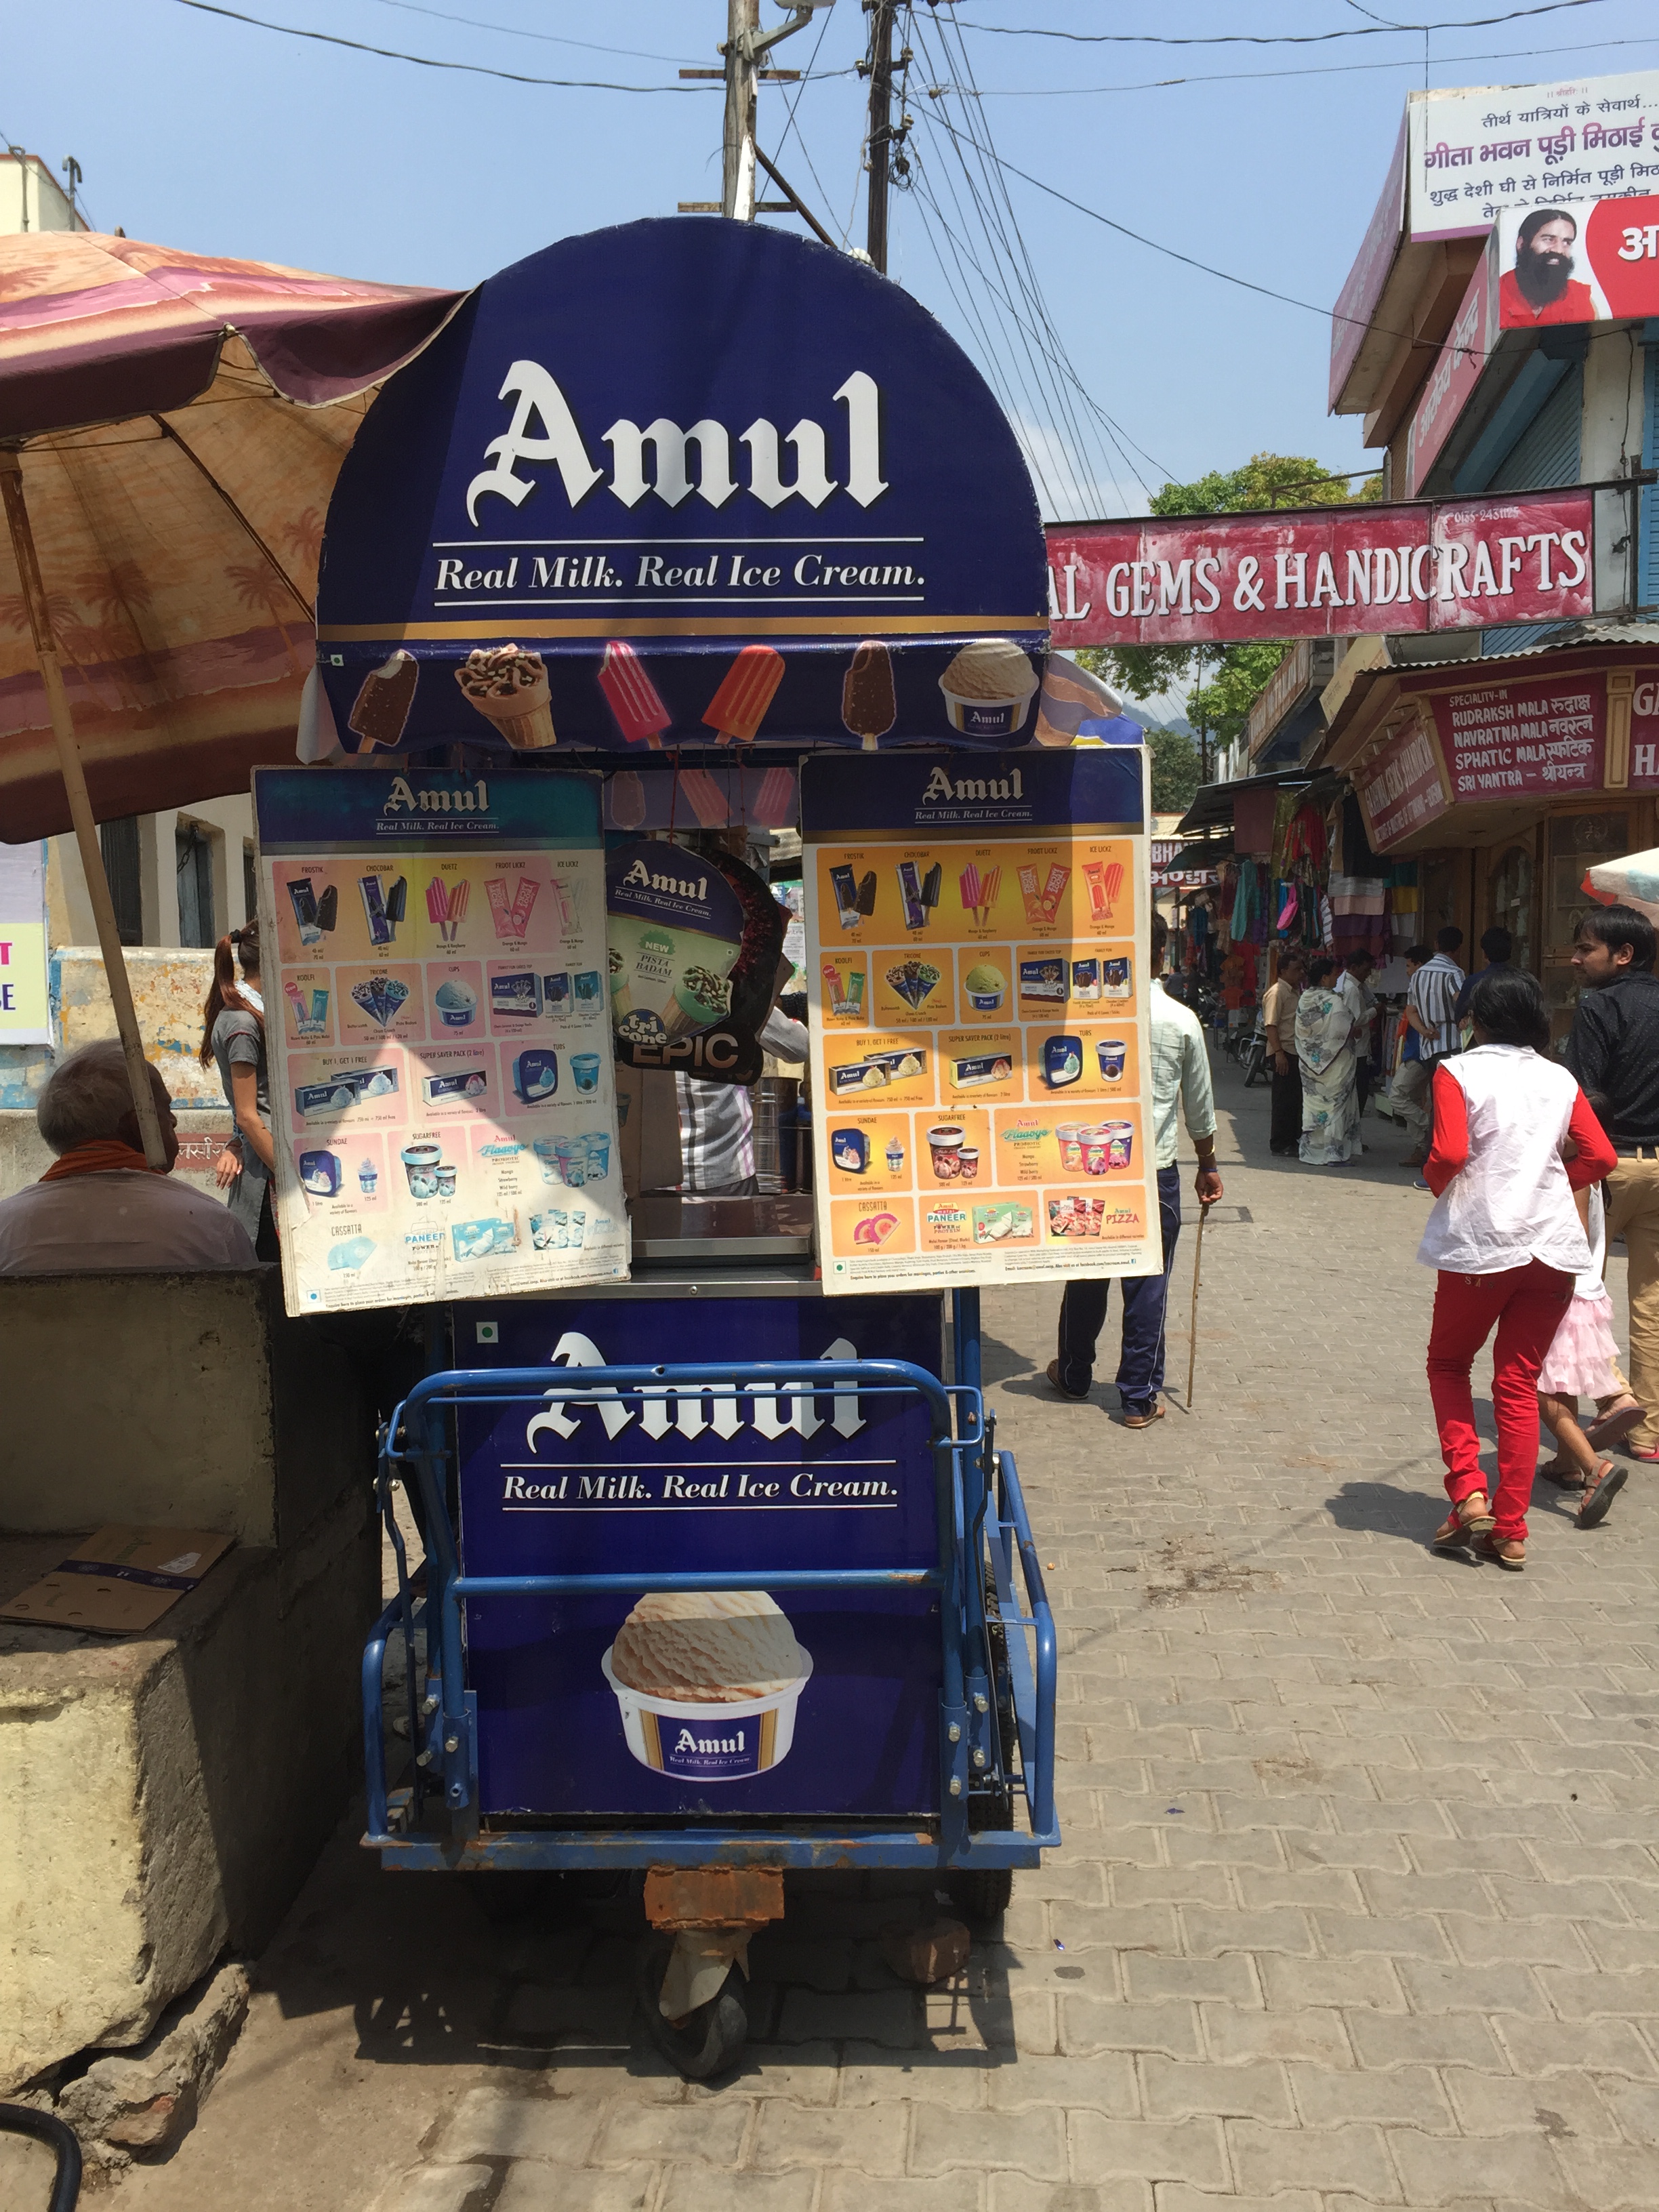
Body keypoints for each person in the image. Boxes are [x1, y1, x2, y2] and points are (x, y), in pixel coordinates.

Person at [1420, 970, 1615, 1570]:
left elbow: (1450, 1153)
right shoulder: (1559, 1078)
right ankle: (1510, 1529)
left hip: (1484, 1244)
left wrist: (1438, 1185)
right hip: (1552, 1249)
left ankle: (1468, 1492)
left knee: (1449, 1364)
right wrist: (1553, 1184)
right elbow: (1600, 1156)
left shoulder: (1457, 1071)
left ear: (1476, 1020)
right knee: (1518, 1383)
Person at [1049, 914, 1223, 1424]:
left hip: (1090, 1165)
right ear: (1162, 954)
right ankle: (1138, 1397)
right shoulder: (1180, 1020)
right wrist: (1208, 1164)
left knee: (1087, 1273)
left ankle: (1075, 1373)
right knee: (1148, 1282)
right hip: (1153, 1171)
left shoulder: (1083, 1014)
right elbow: (1200, 1108)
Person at [0, 1040, 259, 1274]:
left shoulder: (7, 1227)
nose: (173, 1120)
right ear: (140, 1126)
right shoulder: (213, 1225)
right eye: (165, 1108)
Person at [1565, 901, 1659, 1460]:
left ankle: (1612, 1401)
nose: (1575, 959)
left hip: (1607, 1165)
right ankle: (1647, 1434)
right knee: (1651, 1303)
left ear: (1624, 954)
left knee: (1578, 1293)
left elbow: (1582, 1095)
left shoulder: (1598, 1007)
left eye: (1586, 949)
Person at [1536, 1180, 1643, 1527]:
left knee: (1533, 1382)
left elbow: (1575, 1234)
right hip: (1584, 1292)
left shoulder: (1573, 1174)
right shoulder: (1592, 1178)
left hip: (1562, 1290)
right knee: (1558, 1381)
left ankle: (1594, 1467)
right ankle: (1566, 1464)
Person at [202, 921, 277, 1261]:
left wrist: (235, 1143)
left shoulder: (253, 1013)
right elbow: (248, 1114)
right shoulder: (243, 1023)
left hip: (262, 1158)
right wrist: (291, 1179)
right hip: (268, 1178)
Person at [677, 1003, 810, 1195]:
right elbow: (798, 1045)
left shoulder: (638, 999)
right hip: (726, 1171)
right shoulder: (734, 995)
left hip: (652, 1174)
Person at [1403, 926, 1465, 1169]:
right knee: (1449, 1102)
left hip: (1429, 1044)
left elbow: (1411, 1011)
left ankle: (1431, 1152)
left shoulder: (1419, 974)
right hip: (1451, 1043)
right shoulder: (1453, 972)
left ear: (1437, 945)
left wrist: (1424, 1031)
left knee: (1435, 1098)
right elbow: (1461, 1002)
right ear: (1458, 949)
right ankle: (1442, 1153)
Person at [1295, 956, 1361, 1166]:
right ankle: (1334, 1153)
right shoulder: (1335, 1002)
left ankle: (1311, 1151)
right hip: (1336, 1064)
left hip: (1309, 1064)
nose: (1337, 978)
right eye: (1334, 974)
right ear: (1324, 978)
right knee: (1336, 1107)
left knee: (1313, 1107)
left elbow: (1303, 1031)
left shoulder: (1304, 999)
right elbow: (1343, 1029)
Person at [1498, 207, 1595, 327]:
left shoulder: (1578, 297)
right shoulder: (1495, 296)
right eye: (1549, 239)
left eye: (1566, 242)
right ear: (1521, 244)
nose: (1559, 250)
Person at [1262, 948, 1307, 1158]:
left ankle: (1291, 1139)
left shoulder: (1295, 991)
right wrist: (1278, 1052)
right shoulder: (1277, 992)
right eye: (1296, 969)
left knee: (1294, 1099)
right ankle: (1280, 1143)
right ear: (1283, 971)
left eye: (1301, 969)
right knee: (1283, 1100)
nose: (1301, 973)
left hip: (1294, 1050)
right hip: (1283, 1050)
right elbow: (1271, 1025)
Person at [1334, 949, 1378, 1115]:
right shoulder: (1351, 988)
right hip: (1356, 1049)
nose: (1368, 974)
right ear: (1354, 967)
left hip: (1348, 1047)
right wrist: (1375, 1011)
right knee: (1358, 1092)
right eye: (1366, 970)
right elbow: (1356, 1019)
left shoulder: (1345, 983)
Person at [1454, 926, 1515, 1027]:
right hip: (1517, 1035)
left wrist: (1464, 1020)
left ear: (1485, 954)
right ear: (1510, 951)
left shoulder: (1474, 982)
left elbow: (1459, 1016)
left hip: (1485, 1034)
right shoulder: (1526, 982)